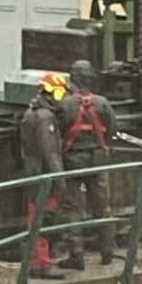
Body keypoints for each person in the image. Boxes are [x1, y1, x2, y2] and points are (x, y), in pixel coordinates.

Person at [57, 60, 118, 270]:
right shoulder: (102, 103)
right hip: (98, 160)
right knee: (102, 206)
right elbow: (111, 128)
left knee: (71, 208)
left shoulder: (65, 104)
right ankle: (107, 251)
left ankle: (76, 255)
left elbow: (60, 130)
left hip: (73, 161)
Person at [20, 72, 69, 279]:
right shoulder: (45, 117)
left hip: (33, 172)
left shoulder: (31, 112)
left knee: (36, 218)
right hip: (44, 176)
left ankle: (37, 261)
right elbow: (50, 152)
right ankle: (42, 264)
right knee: (43, 219)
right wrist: (60, 180)